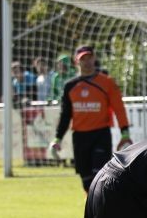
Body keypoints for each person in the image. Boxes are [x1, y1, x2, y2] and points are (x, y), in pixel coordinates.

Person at [49, 45, 133, 194]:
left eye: (89, 58)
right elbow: (65, 115)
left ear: (94, 58)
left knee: (100, 177)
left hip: (101, 135)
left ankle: (104, 207)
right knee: (87, 181)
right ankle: (93, 207)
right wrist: (58, 138)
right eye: (83, 59)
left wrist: (124, 132)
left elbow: (119, 108)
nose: (87, 62)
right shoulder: (70, 86)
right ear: (76, 62)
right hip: (80, 137)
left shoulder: (107, 82)